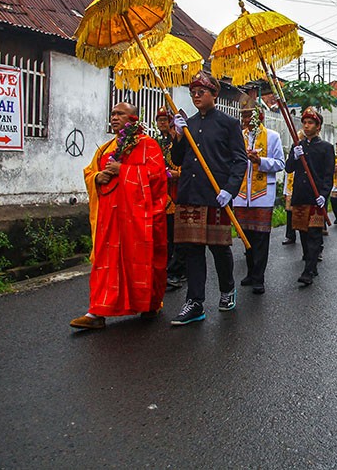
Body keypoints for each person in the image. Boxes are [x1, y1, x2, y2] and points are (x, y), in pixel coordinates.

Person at [70, 102, 168, 330]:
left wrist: (122, 171)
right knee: (105, 263)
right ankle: (97, 312)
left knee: (143, 263)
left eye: (120, 114)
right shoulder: (106, 148)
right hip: (110, 219)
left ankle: (149, 304)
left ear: (133, 118)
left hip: (138, 219)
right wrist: (96, 177)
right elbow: (90, 171)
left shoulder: (148, 145)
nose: (114, 117)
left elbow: (157, 177)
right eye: (113, 114)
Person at [169, 71, 248, 324]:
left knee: (219, 247)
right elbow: (178, 159)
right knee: (192, 249)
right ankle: (195, 301)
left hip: (216, 195)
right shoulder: (189, 124)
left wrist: (230, 189)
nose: (196, 96)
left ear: (214, 94)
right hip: (190, 193)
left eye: (201, 92)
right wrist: (178, 137)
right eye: (192, 92)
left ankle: (227, 289)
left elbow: (240, 160)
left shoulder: (229, 124)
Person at [232, 94, 285, 295]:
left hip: (262, 194)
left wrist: (260, 161)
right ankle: (250, 272)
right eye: (244, 116)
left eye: (249, 116)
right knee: (246, 235)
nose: (246, 120)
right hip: (241, 195)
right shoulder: (238, 136)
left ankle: (259, 277)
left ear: (259, 116)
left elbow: (280, 163)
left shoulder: (272, 137)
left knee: (261, 237)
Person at [285, 107, 334, 285]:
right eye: (304, 122)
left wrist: (324, 194)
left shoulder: (326, 148)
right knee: (303, 233)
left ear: (318, 126)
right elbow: (288, 168)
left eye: (310, 123)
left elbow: (328, 175)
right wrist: (295, 156)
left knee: (314, 233)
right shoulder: (297, 145)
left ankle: (308, 271)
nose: (306, 126)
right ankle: (311, 264)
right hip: (300, 195)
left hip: (316, 197)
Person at [154, 106, 186, 292]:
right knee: (165, 234)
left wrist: (177, 174)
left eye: (165, 120)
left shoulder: (179, 142)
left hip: (177, 191)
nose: (162, 124)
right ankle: (167, 267)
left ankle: (179, 270)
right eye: (159, 121)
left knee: (177, 235)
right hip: (162, 191)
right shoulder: (158, 142)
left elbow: (185, 165)